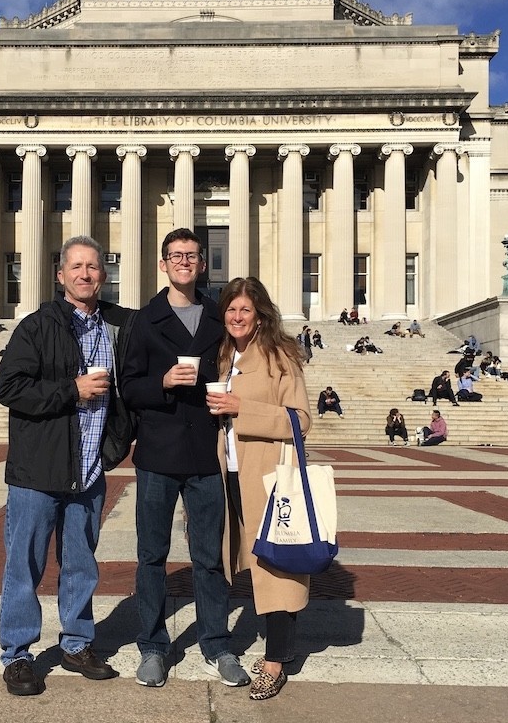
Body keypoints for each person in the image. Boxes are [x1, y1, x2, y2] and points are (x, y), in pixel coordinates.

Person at [0, 235, 134, 697]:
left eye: (93, 267)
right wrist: (71, 390)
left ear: (104, 274)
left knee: (80, 565)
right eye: (76, 267)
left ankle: (76, 644)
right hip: (38, 472)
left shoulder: (114, 328)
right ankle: (17, 654)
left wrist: (113, 447)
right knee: (25, 566)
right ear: (61, 276)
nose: (85, 274)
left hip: (89, 472)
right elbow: (9, 388)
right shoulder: (36, 327)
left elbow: (125, 395)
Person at [122, 228, 249, 690]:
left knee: (209, 557)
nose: (183, 262)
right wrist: (162, 382)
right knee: (151, 555)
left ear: (201, 264)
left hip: (205, 454)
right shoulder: (143, 319)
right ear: (163, 264)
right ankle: (153, 645)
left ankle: (217, 642)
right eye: (175, 256)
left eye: (192, 256)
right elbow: (128, 387)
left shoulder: (220, 317)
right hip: (157, 452)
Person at [206, 277, 311, 701]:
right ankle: (282, 636)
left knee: (275, 565)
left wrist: (241, 409)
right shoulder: (226, 354)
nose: (236, 317)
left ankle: (276, 660)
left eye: (245, 310)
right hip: (232, 472)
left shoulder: (279, 355)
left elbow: (301, 420)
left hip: (268, 476)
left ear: (260, 313)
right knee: (250, 560)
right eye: (231, 309)